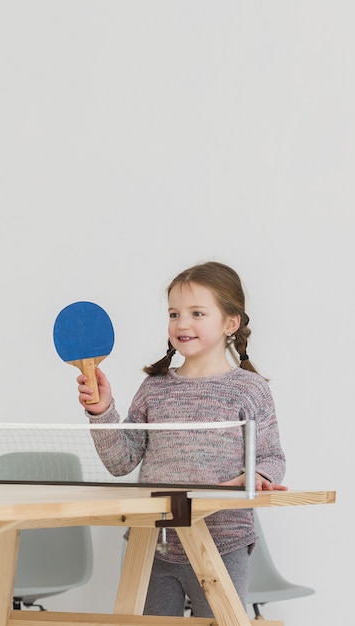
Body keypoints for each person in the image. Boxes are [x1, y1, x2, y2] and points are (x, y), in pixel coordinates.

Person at [76, 261, 286, 618]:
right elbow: (121, 462)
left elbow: (272, 458)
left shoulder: (249, 389)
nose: (182, 323)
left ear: (230, 323)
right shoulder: (154, 388)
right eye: (174, 313)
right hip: (152, 546)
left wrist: (256, 478)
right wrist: (103, 410)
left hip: (222, 543)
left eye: (197, 313)